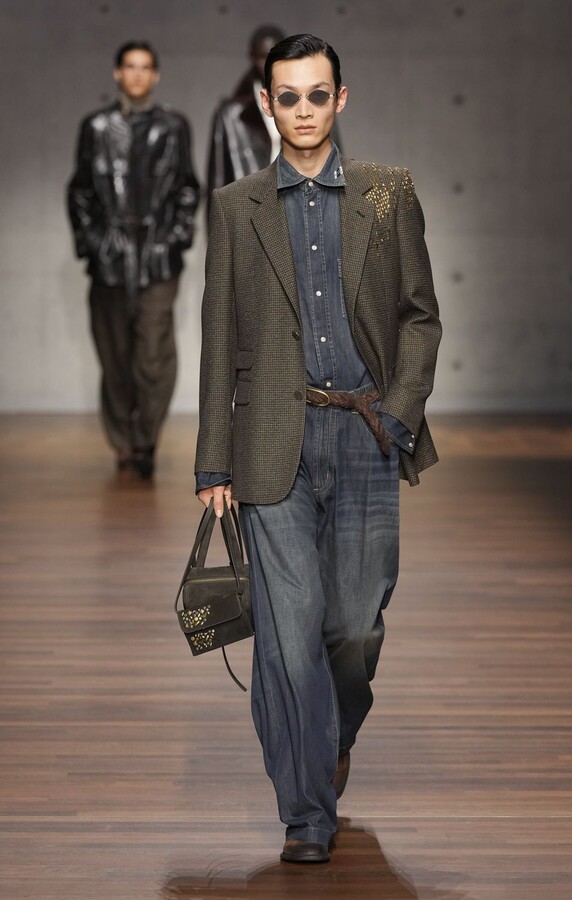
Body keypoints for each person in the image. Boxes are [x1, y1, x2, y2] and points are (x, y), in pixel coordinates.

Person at [194, 34, 441, 863]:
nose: (303, 110)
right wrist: (213, 462)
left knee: (355, 627)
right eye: (288, 97)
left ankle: (332, 734)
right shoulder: (236, 205)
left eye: (317, 94)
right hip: (273, 439)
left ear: (342, 98)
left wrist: (399, 414)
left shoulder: (387, 192)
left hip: (367, 432)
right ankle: (306, 812)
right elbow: (218, 336)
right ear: (267, 105)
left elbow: (419, 315)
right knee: (287, 632)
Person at [67, 41, 201, 479]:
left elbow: (187, 187)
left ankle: (146, 439)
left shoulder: (173, 126)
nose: (138, 74)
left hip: (158, 258)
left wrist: (175, 239)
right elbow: (80, 190)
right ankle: (123, 441)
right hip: (110, 257)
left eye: (145, 67)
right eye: (130, 66)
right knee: (115, 355)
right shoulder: (96, 126)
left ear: (156, 74)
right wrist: (93, 242)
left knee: (153, 355)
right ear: (117, 73)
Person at [205, 24, 342, 220]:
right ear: (252, 57)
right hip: (248, 214)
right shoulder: (230, 114)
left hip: (307, 207)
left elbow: (335, 161)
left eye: (276, 55)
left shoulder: (316, 103)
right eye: (263, 57)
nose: (268, 63)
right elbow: (217, 180)